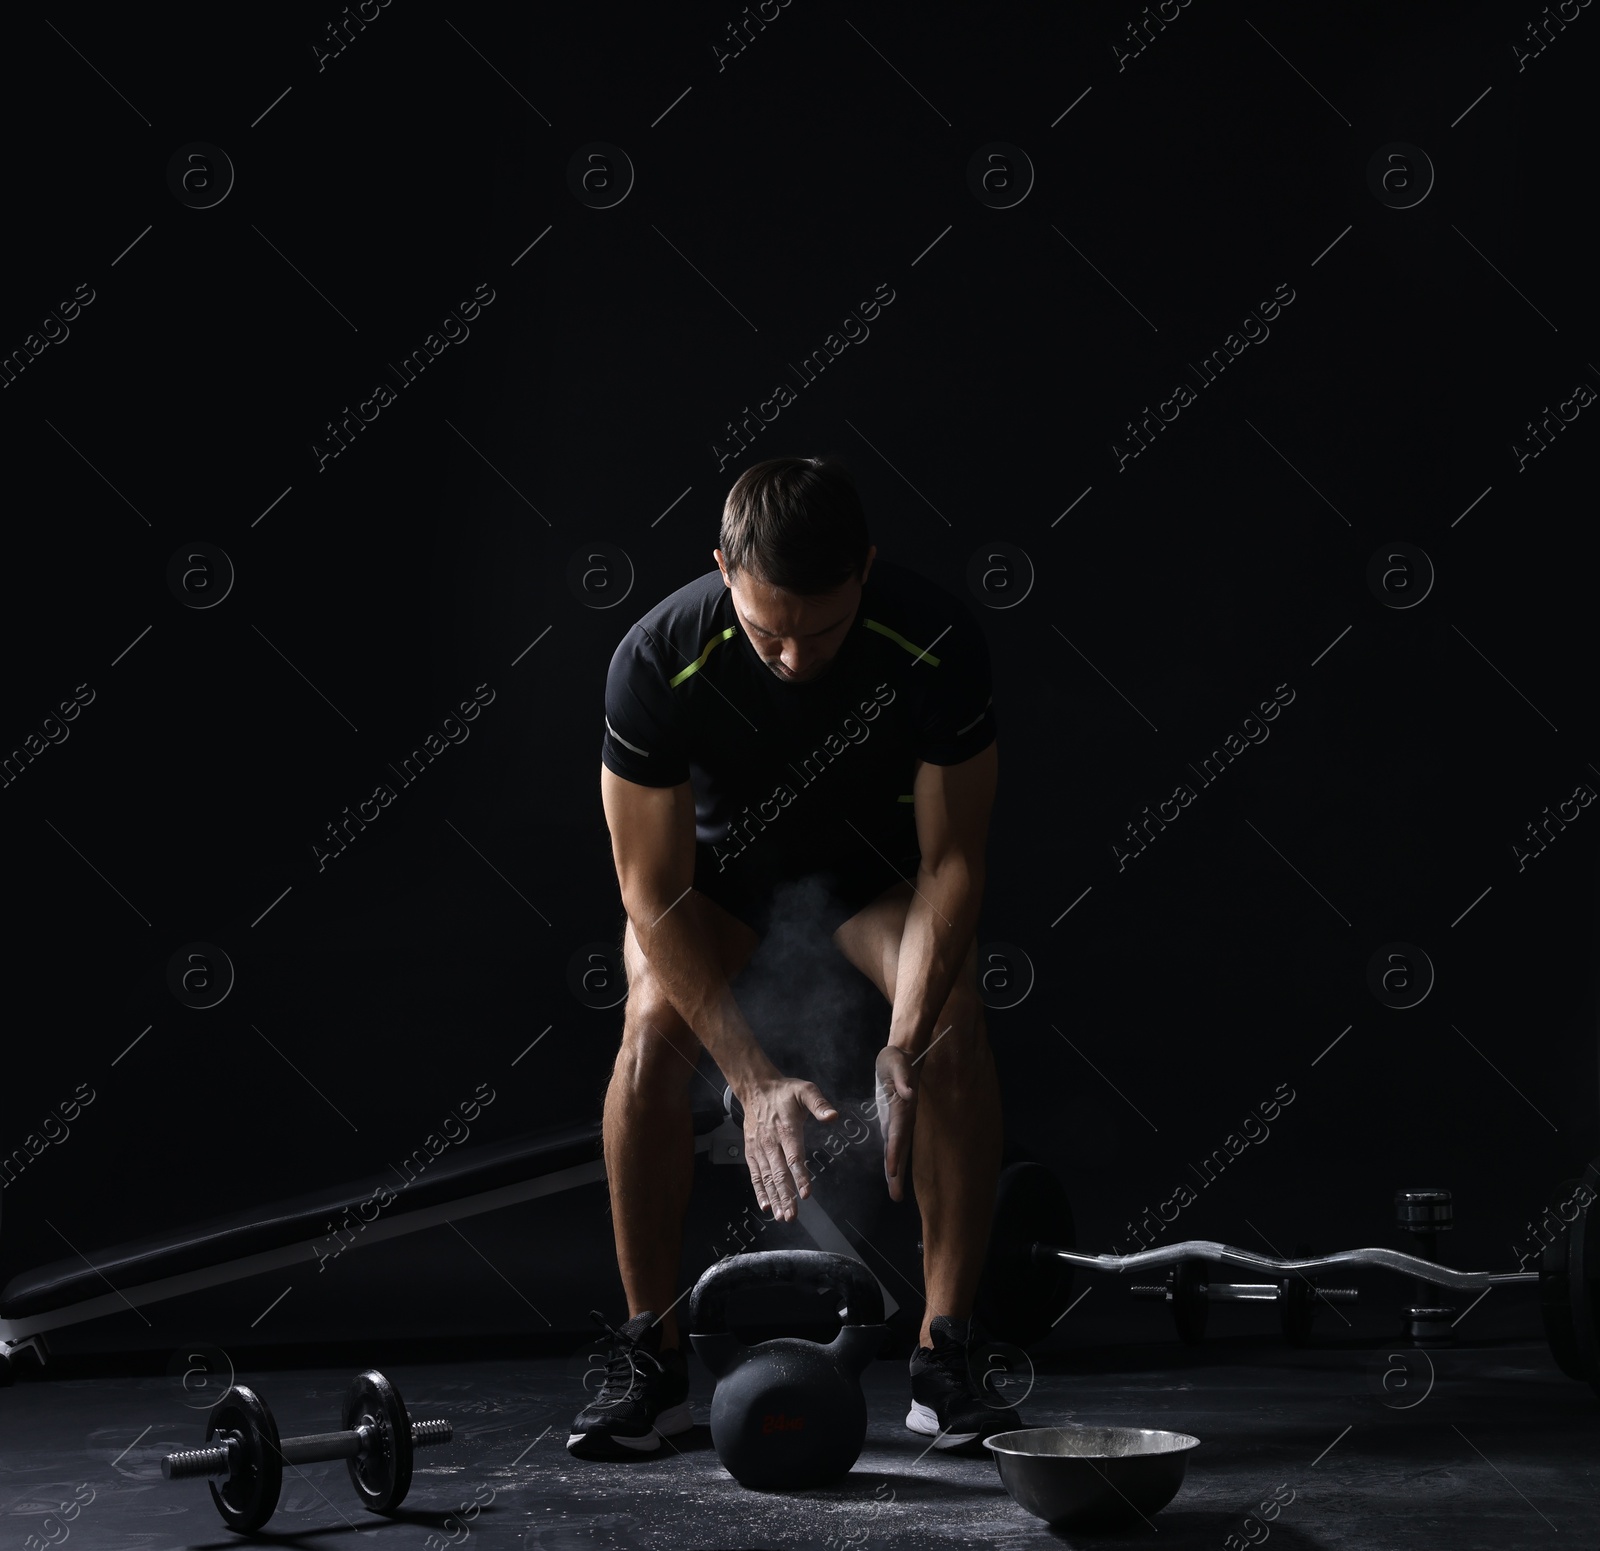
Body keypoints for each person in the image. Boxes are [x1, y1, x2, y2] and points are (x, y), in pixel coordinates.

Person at [569, 454, 1018, 1459]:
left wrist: (900, 1042)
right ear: (721, 568)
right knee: (647, 1031)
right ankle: (653, 1364)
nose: (793, 658)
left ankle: (946, 1360)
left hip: (873, 879)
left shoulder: (935, 640)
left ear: (863, 567)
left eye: (820, 632)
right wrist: (753, 1077)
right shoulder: (654, 659)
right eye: (767, 632)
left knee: (952, 1022)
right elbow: (650, 891)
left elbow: (952, 864)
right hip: (719, 882)